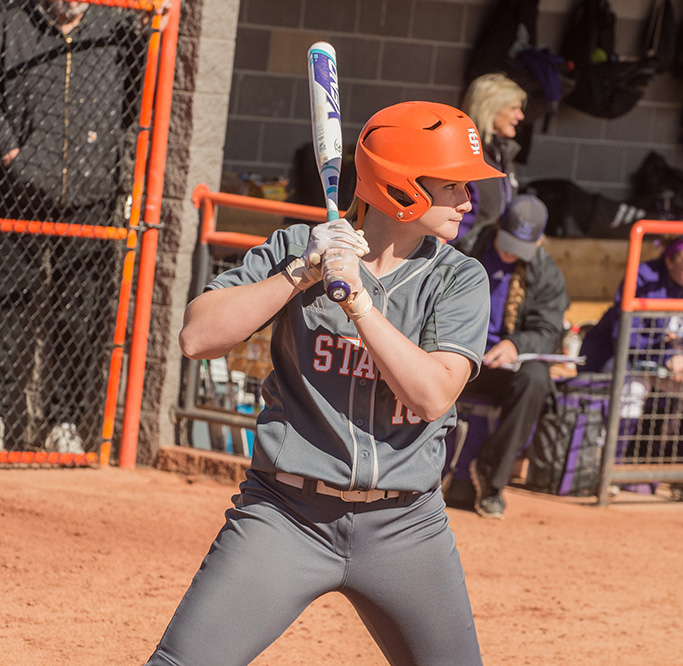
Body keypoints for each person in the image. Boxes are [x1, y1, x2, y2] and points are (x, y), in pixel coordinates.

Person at [144, 101, 505, 666]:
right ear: (401, 187)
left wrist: (359, 301)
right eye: (453, 185)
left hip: (406, 526)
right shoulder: (298, 249)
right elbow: (196, 336)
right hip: (287, 515)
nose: (467, 200)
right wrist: (300, 275)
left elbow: (432, 395)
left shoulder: (458, 277)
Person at [0, 0, 146, 452]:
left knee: (78, 312)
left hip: (91, 191)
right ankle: (3, 417)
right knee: (9, 306)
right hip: (19, 188)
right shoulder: (11, 20)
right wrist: (9, 151)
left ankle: (62, 422)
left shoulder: (119, 28)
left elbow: (134, 102)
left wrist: (141, 34)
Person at [579, 233, 683, 503]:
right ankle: (607, 470)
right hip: (619, 360)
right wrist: (666, 354)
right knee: (634, 384)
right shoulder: (644, 276)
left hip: (676, 368)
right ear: (670, 260)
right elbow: (625, 335)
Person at [458, 194, 569, 519]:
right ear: (498, 227)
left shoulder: (546, 272)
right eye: (507, 241)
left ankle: (492, 477)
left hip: (499, 366)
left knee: (536, 378)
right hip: (456, 355)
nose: (510, 252)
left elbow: (549, 330)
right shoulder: (467, 249)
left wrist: (516, 345)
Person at [451, 72, 526, 252]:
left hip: (490, 257)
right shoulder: (463, 152)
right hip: (461, 257)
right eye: (514, 108)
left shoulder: (502, 153)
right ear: (491, 107)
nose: (521, 116)